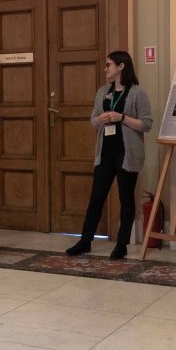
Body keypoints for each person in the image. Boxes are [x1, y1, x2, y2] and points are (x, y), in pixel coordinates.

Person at [66, 51, 153, 259]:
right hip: (105, 152)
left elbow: (146, 124)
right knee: (96, 197)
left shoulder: (137, 93)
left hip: (127, 153)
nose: (105, 69)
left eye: (109, 65)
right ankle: (85, 241)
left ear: (121, 66)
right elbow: (93, 120)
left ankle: (122, 245)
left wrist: (121, 117)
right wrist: (102, 119)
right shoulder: (103, 91)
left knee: (126, 198)